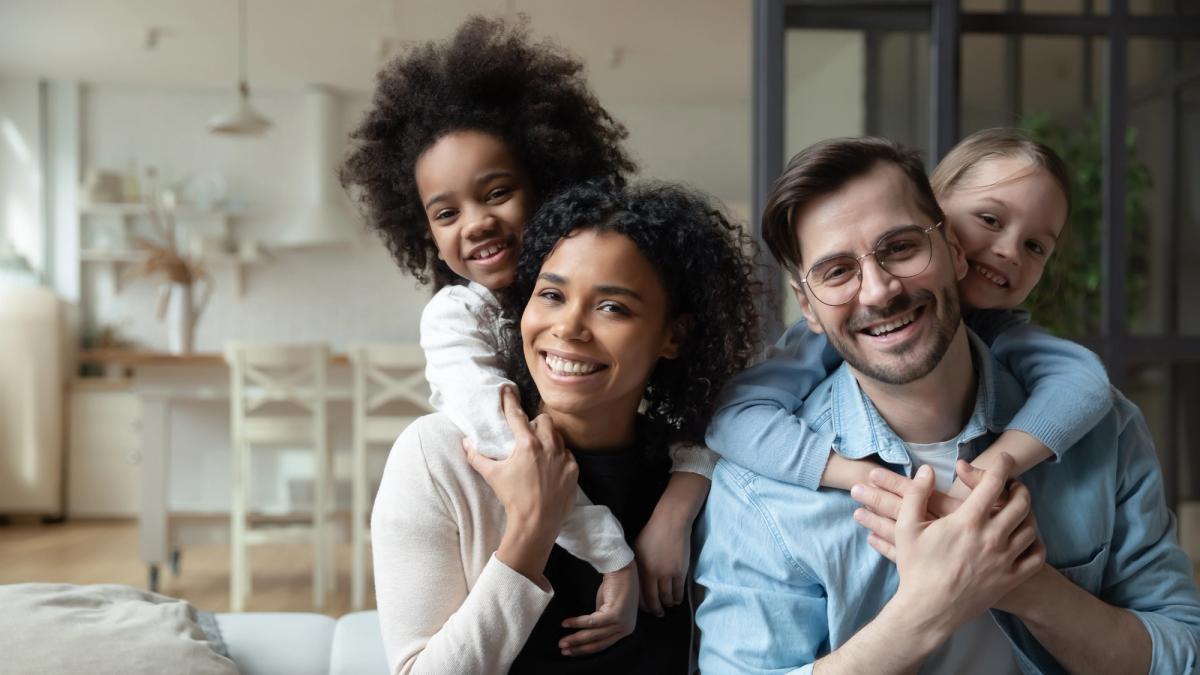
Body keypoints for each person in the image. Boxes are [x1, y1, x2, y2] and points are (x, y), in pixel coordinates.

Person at [695, 136, 1200, 674]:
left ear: (954, 251)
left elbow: (1182, 654)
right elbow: (731, 417)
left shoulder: (1103, 429)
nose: (878, 291)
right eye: (837, 271)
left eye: (901, 247)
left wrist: (1026, 585)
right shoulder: (759, 491)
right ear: (809, 308)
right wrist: (926, 611)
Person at [339, 16, 717, 632]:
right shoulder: (458, 319)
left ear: (549, 184)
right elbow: (516, 451)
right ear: (426, 236)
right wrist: (613, 557)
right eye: (446, 212)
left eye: (496, 192)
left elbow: (718, 402)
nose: (476, 223)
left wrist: (680, 499)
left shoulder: (638, 320)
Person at [371, 181, 759, 674]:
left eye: (612, 307)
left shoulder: (700, 478)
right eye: (551, 294)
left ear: (673, 335)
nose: (569, 327)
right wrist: (529, 536)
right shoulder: (439, 457)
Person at [707, 128, 1110, 501]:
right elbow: (733, 415)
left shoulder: (1002, 331)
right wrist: (860, 477)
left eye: (1036, 246)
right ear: (938, 220)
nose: (1009, 251)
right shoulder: (833, 327)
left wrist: (990, 469)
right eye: (990, 220)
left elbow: (1085, 384)